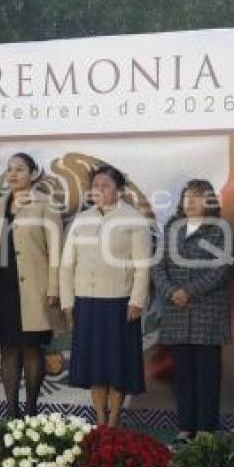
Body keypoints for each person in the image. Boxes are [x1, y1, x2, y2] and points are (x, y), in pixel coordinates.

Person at [0, 153, 63, 419]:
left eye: (19, 170)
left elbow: (56, 250)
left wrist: (54, 287)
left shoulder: (47, 204)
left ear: (33, 174)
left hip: (34, 287)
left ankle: (32, 410)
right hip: (1, 286)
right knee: (8, 348)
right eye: (9, 170)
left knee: (32, 348)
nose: (12, 175)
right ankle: (11, 411)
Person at [60, 165, 150, 427]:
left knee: (116, 365)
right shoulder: (82, 219)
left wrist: (136, 300)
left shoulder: (134, 219)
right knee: (94, 366)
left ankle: (114, 420)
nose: (98, 190)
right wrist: (68, 302)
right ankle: (100, 419)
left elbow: (142, 266)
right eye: (95, 185)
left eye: (105, 185)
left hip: (119, 304)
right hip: (86, 302)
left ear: (119, 190)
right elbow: (67, 265)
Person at [151, 179, 231, 444]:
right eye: (187, 197)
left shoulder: (219, 230)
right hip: (176, 312)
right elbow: (157, 267)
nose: (191, 202)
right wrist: (172, 291)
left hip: (207, 313)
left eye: (197, 197)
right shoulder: (172, 228)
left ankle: (207, 430)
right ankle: (186, 428)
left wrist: (189, 291)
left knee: (207, 376)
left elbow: (221, 270)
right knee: (183, 376)